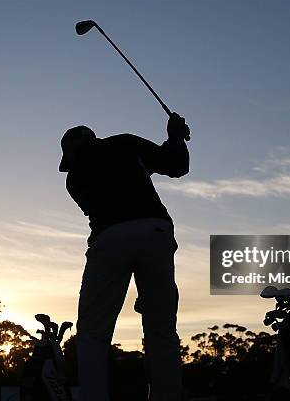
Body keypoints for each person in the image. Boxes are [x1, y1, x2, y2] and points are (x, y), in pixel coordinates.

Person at [59, 113, 190, 401]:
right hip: (155, 231)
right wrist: (176, 135)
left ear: (71, 154)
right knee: (161, 326)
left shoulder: (73, 179)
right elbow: (177, 165)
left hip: (108, 238)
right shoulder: (125, 143)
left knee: (93, 331)